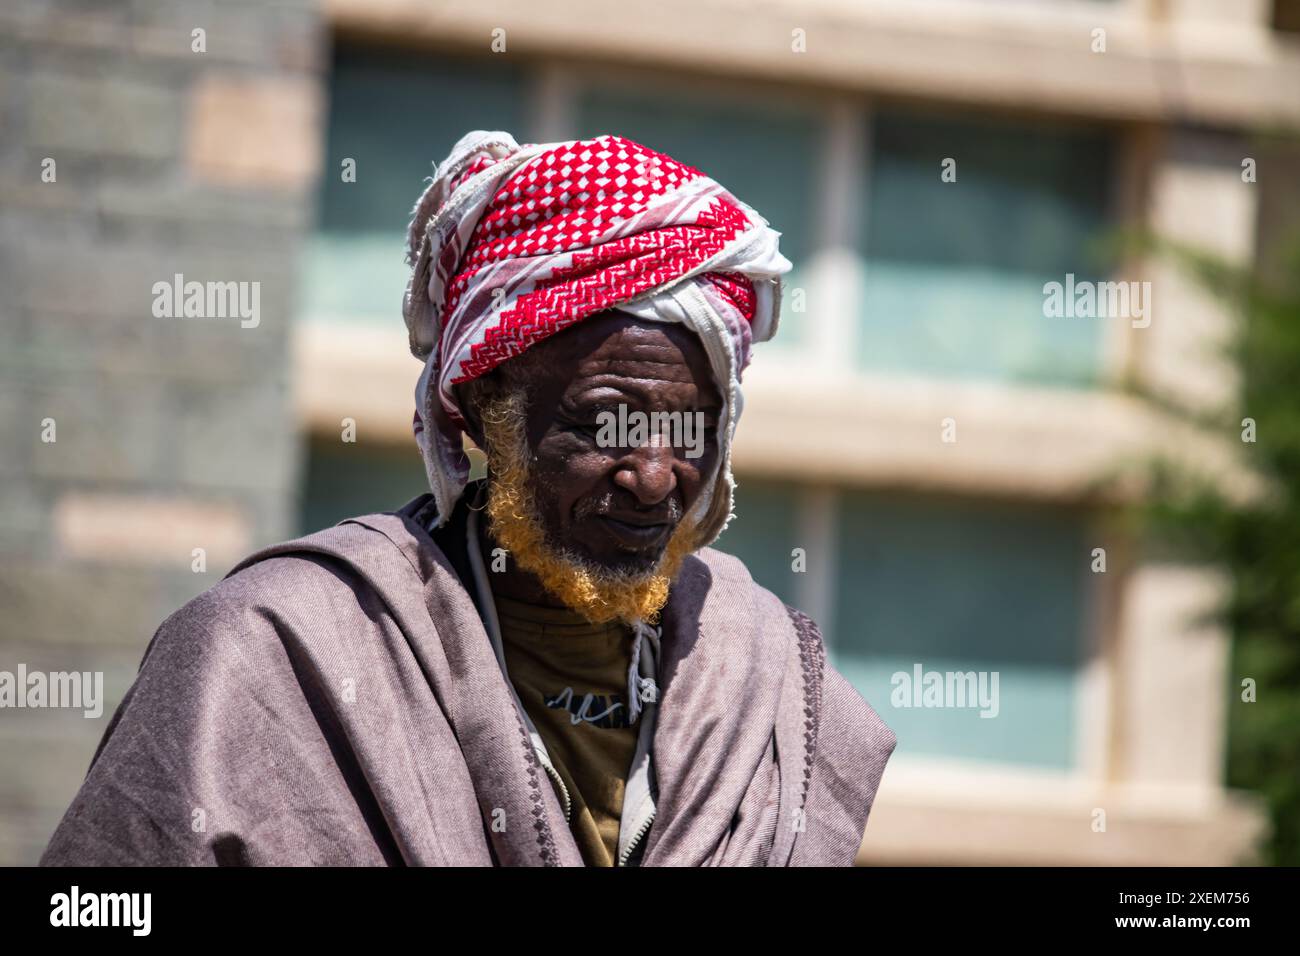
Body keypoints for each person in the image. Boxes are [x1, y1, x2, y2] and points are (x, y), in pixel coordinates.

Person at [41, 130, 894, 866]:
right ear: (482, 407)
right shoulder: (272, 656)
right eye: (605, 426)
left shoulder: (762, 669)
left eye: (691, 431)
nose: (654, 477)